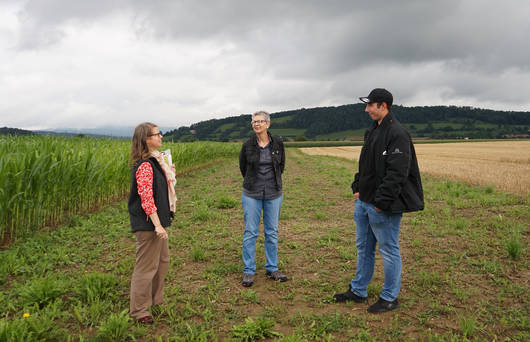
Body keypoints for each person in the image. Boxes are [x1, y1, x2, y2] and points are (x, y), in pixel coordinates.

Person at [334, 88, 424, 313]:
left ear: (383, 105)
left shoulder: (397, 133)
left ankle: (390, 297)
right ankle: (358, 290)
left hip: (382, 206)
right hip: (364, 202)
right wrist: (357, 188)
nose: (367, 110)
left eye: (370, 105)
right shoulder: (373, 131)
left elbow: (398, 173)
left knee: (389, 249)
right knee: (364, 248)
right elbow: (365, 166)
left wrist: (381, 202)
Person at [128, 122, 177, 324]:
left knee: (162, 263)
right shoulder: (145, 166)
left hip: (159, 222)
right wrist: (157, 225)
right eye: (157, 134)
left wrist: (169, 173)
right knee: (146, 267)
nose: (161, 137)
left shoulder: (156, 162)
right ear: (146, 139)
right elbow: (146, 198)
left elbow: (159, 190)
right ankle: (139, 310)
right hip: (149, 225)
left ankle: (156, 301)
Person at [239, 111, 287, 287]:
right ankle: (249, 271)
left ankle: (272, 268)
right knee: (251, 232)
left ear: (268, 124)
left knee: (272, 232)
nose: (256, 124)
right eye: (254, 121)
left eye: (260, 121)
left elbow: (281, 166)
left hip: (273, 193)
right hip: (252, 193)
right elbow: (243, 167)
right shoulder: (247, 145)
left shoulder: (278, 144)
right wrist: (255, 182)